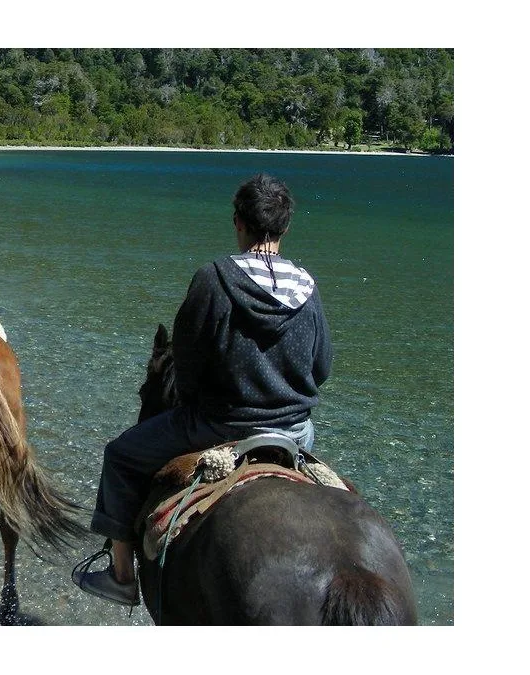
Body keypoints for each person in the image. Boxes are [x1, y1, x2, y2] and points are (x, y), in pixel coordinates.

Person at [71, 174, 333, 607]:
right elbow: (321, 367)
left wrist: (198, 396)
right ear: (285, 227)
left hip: (217, 424)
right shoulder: (307, 287)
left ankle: (120, 576)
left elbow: (188, 365)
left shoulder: (214, 278)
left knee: (119, 456)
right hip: (294, 431)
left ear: (238, 222)